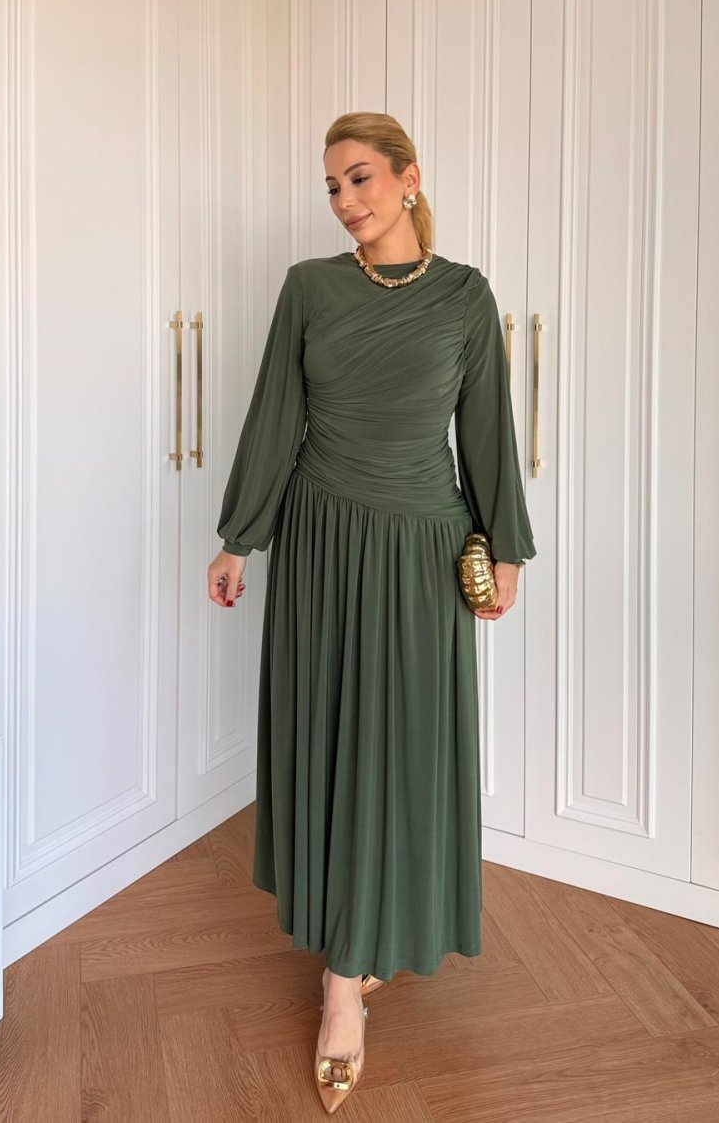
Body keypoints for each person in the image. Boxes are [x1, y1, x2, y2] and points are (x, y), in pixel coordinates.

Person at [206, 111, 536, 1113]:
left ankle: (375, 933)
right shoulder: (308, 288)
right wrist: (239, 535)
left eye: (359, 179)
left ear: (408, 178)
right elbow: (276, 415)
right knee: (333, 736)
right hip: (321, 539)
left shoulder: (466, 296)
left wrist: (506, 548)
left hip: (423, 546)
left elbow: (486, 429)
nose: (346, 201)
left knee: (402, 744)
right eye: (333, 187)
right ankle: (342, 979)